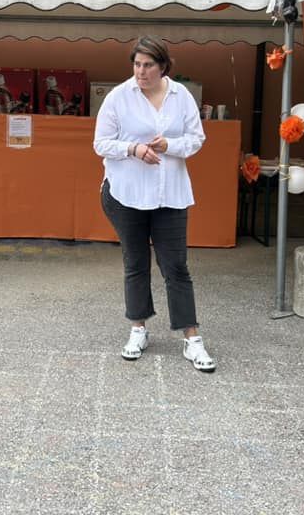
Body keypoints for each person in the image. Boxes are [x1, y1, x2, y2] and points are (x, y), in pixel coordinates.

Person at [93, 35, 215, 372]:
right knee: (135, 263)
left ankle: (192, 338)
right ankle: (138, 329)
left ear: (163, 67)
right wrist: (133, 149)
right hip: (126, 193)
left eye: (148, 65)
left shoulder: (181, 96)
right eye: (136, 64)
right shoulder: (119, 97)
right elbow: (101, 143)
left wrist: (169, 145)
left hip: (169, 194)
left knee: (176, 266)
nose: (141, 71)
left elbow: (196, 139)